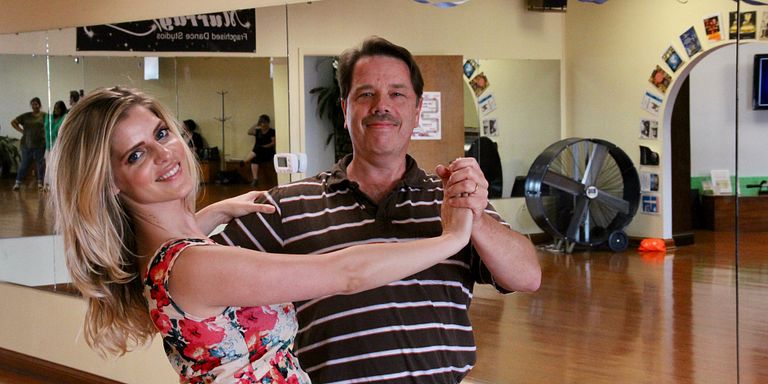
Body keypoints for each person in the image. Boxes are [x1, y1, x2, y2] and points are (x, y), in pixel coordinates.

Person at [48, 86, 473, 383]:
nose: (164, 154)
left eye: (161, 133)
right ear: (110, 183)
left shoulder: (162, 255)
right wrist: (449, 239)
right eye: (136, 154)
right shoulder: (196, 266)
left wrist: (216, 210)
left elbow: (183, 250)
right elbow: (348, 274)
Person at [213, 36, 541, 383]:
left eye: (397, 94)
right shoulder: (288, 205)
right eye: (365, 94)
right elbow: (199, 275)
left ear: (417, 111)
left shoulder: (452, 200)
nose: (381, 106)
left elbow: (527, 277)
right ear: (345, 110)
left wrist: (474, 217)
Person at [11, 97, 47, 191]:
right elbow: (13, 122)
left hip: (40, 144)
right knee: (24, 164)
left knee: (40, 164)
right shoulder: (26, 116)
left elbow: (52, 124)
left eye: (36, 104)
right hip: (26, 145)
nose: (35, 106)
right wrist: (21, 131)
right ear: (31, 105)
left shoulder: (44, 116)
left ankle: (40, 183)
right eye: (33, 104)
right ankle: (17, 183)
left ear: (40, 105)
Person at [242, 114, 276, 187]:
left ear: (268, 123)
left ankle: (245, 161)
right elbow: (249, 132)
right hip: (258, 153)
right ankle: (255, 179)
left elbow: (273, 143)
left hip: (268, 152)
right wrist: (256, 124)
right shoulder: (258, 131)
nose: (263, 124)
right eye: (261, 122)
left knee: (258, 148)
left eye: (264, 122)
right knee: (254, 158)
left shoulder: (272, 131)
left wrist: (264, 146)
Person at [42, 100, 68, 191]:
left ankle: (56, 185)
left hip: (58, 147)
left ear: (62, 109)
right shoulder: (51, 118)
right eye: (55, 107)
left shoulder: (64, 118)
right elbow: (46, 128)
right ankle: (48, 184)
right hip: (49, 146)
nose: (56, 109)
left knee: (56, 166)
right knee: (48, 166)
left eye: (58, 108)